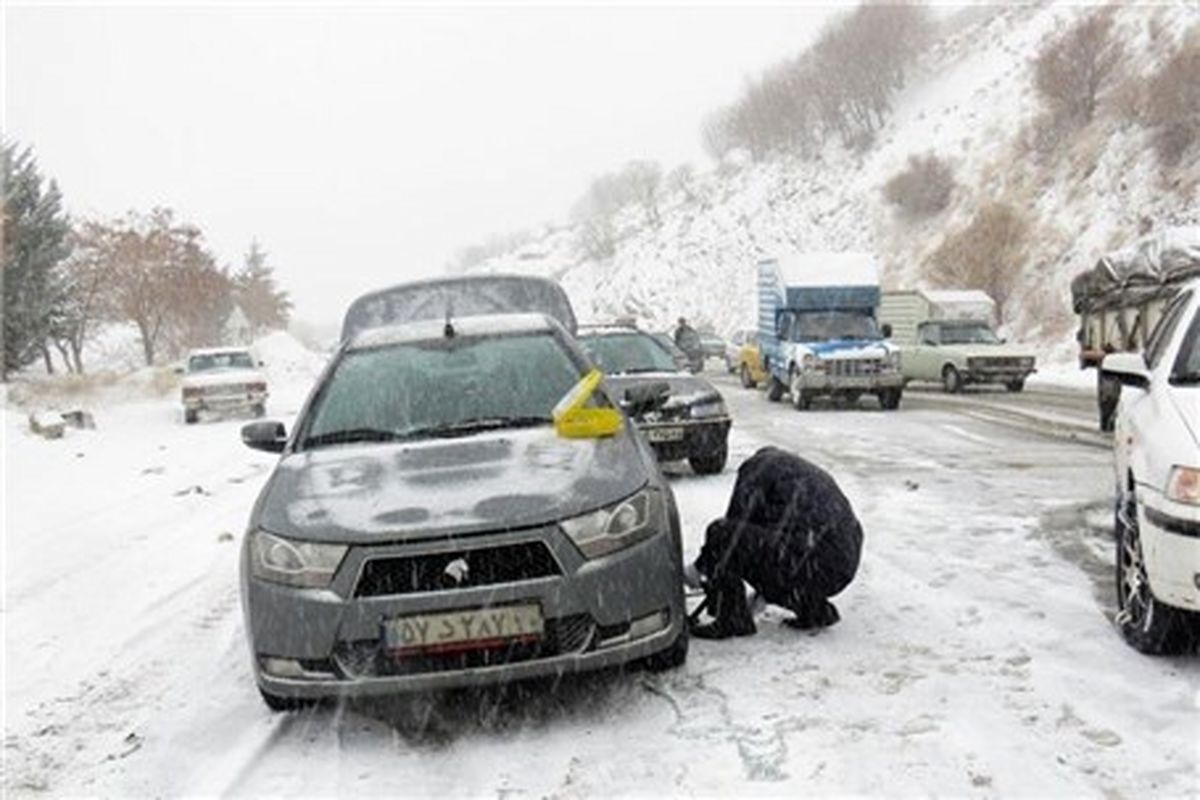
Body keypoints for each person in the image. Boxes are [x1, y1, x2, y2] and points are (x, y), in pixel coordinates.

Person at [686, 446, 863, 640]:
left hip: (816, 555)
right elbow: (771, 543)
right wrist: (764, 589)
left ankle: (732, 620)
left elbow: (732, 531)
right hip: (841, 562)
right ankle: (814, 611)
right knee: (783, 559)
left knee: (720, 532)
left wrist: (699, 568)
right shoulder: (793, 475)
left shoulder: (756, 469)